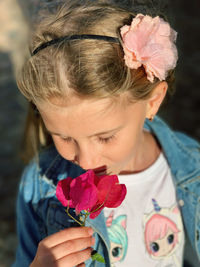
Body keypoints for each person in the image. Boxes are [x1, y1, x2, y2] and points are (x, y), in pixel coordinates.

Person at [12, 1, 200, 266]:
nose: (86, 162)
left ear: (152, 102)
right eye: (64, 137)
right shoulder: (40, 182)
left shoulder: (193, 167)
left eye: (105, 137)